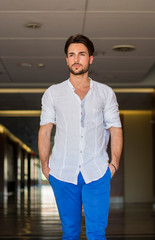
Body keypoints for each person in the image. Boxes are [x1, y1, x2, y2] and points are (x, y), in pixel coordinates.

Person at [38, 34, 123, 240]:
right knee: (70, 233)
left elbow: (115, 129)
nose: (76, 59)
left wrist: (114, 164)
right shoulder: (53, 93)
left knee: (96, 233)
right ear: (66, 59)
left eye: (81, 54)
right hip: (62, 172)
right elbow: (45, 131)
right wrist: (45, 166)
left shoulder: (105, 93)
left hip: (97, 171)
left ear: (90, 58)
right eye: (72, 55)